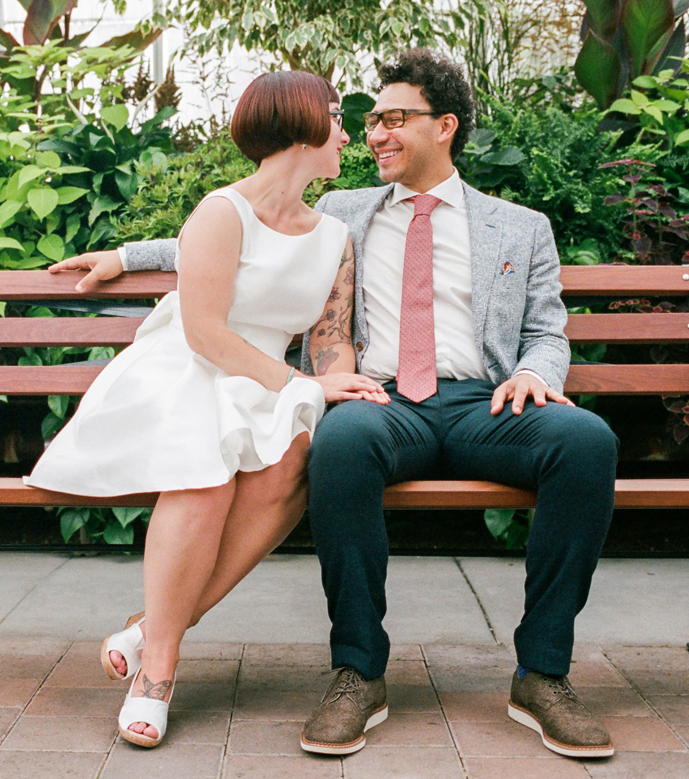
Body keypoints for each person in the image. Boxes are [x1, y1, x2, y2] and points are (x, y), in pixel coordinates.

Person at [50, 49, 619, 759]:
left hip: (484, 402)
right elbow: (245, 230)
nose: (371, 132)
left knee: (587, 441)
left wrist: (535, 370)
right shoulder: (343, 211)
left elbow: (545, 328)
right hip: (381, 400)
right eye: (366, 120)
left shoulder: (519, 226)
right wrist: (128, 255)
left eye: (392, 119)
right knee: (340, 442)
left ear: (443, 126)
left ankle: (543, 674)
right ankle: (357, 670)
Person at [25, 70, 390, 748]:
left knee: (293, 465)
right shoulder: (220, 211)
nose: (348, 135)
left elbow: (330, 338)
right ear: (304, 125)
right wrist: (302, 387)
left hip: (269, 381)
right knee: (204, 474)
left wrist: (341, 384)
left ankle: (147, 630)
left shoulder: (333, 234)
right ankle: (157, 672)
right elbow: (204, 332)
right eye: (339, 120)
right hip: (191, 366)